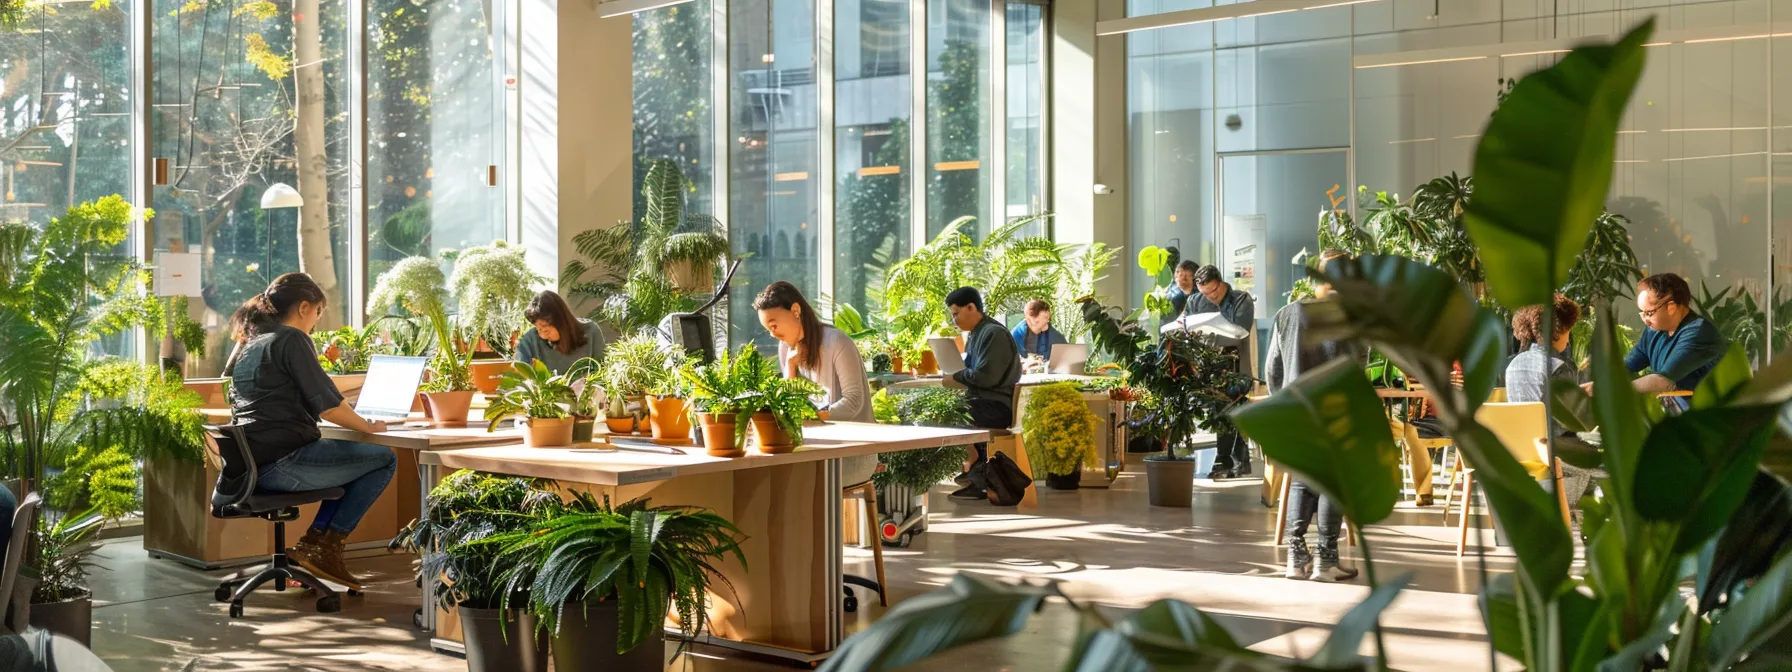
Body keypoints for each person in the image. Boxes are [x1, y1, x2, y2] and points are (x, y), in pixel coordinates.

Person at [223, 273, 396, 590]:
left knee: (355, 464)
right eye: (318, 312)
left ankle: (313, 546)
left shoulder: (252, 341)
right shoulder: (291, 338)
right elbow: (328, 408)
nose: (316, 322)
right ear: (304, 307)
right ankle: (326, 547)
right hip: (284, 463)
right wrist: (369, 426)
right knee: (384, 458)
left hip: (252, 468)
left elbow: (303, 394)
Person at [1262, 250, 1359, 583]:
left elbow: (1272, 369)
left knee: (1303, 478)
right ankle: (1326, 560)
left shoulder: (1287, 313)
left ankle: (1296, 557)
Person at [754, 281, 878, 485]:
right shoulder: (785, 349)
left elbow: (854, 402)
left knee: (789, 481)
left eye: (774, 325)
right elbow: (790, 404)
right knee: (767, 476)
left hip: (854, 452)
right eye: (768, 329)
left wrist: (813, 417)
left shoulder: (837, 342)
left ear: (795, 311)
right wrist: (791, 368)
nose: (773, 333)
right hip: (813, 448)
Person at [1507, 294, 1604, 511]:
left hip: (1522, 449)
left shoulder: (1513, 365)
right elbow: (1574, 423)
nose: (1569, 338)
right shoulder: (1561, 367)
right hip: (1555, 449)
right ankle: (1582, 513)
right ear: (1558, 330)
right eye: (1569, 330)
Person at [944, 287, 1023, 501]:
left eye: (956, 313)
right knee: (945, 410)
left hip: (996, 406)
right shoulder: (976, 334)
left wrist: (956, 376)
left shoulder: (994, 334)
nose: (954, 320)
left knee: (949, 413)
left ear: (971, 307)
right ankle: (975, 472)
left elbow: (987, 377)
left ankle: (977, 473)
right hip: (983, 402)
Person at [1189, 264, 1256, 479]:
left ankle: (1228, 459)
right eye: (1205, 293)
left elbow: (1240, 331)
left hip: (1236, 365)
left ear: (1221, 282)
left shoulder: (1241, 300)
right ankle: (1235, 460)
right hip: (1208, 366)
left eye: (1213, 291)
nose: (1210, 297)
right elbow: (1186, 327)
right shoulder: (1195, 301)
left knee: (1233, 407)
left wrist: (1212, 330)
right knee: (1219, 411)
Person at [1624, 273, 1727, 405]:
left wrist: (1617, 390)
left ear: (1671, 307)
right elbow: (1627, 366)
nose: (1645, 320)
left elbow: (1662, 381)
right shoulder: (1654, 330)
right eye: (1642, 313)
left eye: (1649, 313)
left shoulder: (1699, 331)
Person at [514, 290, 607, 375]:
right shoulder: (529, 341)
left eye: (545, 330)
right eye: (538, 329)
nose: (542, 335)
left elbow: (602, 371)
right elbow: (522, 375)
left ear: (561, 322)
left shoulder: (591, 331)